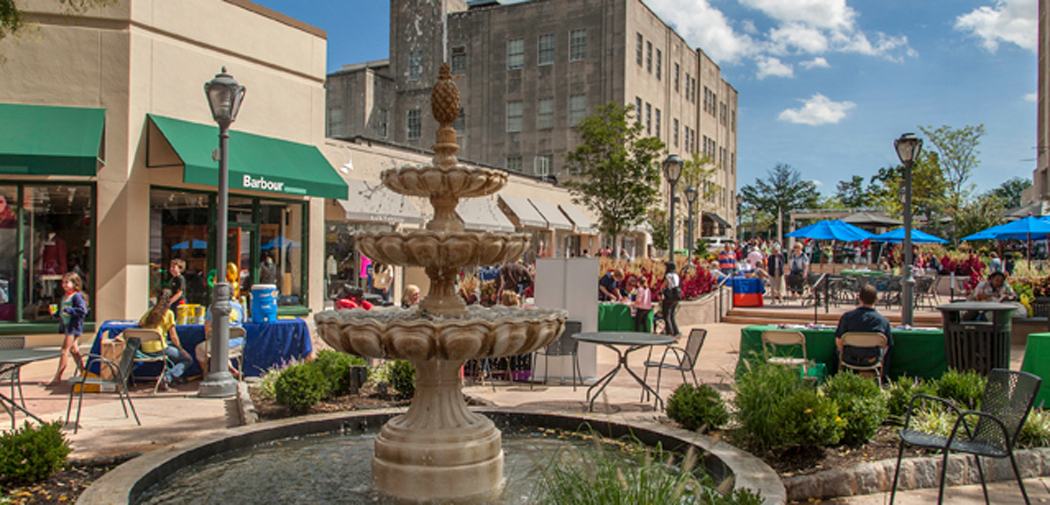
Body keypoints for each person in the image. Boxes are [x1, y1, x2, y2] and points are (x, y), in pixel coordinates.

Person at [139, 289, 193, 391]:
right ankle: (168, 377)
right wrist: (181, 349)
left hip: (145, 347)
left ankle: (174, 378)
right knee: (187, 359)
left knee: (170, 348)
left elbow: (140, 324)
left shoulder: (150, 312)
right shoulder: (168, 313)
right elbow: (173, 336)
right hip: (159, 348)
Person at [834, 284, 892, 377]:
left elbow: (839, 342)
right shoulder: (883, 321)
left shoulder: (847, 317)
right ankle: (884, 379)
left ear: (860, 298)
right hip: (871, 360)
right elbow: (886, 346)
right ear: (876, 299)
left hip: (848, 359)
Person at [44, 272, 87, 386]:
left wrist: (70, 310)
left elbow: (83, 311)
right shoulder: (64, 296)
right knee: (74, 350)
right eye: (63, 282)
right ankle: (84, 373)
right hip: (67, 325)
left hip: (74, 326)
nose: (64, 284)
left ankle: (57, 377)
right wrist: (55, 313)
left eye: (67, 282)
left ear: (75, 283)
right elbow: (62, 310)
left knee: (64, 351)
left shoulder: (76, 296)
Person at [195, 296, 246, 379]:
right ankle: (231, 368)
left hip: (219, 345)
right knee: (223, 351)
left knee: (200, 349)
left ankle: (207, 375)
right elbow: (243, 321)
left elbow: (207, 330)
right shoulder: (239, 306)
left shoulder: (213, 307)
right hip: (238, 345)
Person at [657, 261, 681, 338]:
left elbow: (664, 285)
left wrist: (660, 292)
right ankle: (676, 332)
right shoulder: (676, 275)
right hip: (676, 296)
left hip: (669, 297)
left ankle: (669, 332)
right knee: (672, 315)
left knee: (666, 315)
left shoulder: (668, 275)